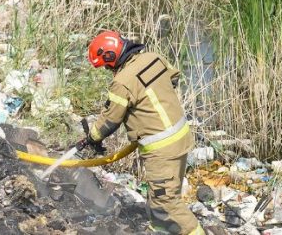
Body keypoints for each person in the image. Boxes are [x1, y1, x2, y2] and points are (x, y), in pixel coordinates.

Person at [76, 30, 204, 235]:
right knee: (158, 195)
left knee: (167, 201)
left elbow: (110, 120)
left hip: (161, 149)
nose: (108, 69)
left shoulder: (122, 82)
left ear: (111, 56)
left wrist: (92, 138)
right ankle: (158, 230)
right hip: (181, 136)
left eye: (107, 65)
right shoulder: (153, 58)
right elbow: (173, 77)